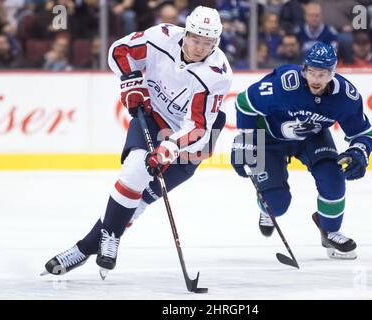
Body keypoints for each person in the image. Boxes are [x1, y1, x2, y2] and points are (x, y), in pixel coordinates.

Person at [42, 6, 232, 278]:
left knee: (141, 200)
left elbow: (198, 127)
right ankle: (102, 242)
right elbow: (120, 51)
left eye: (208, 42)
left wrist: (169, 148)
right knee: (134, 172)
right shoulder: (161, 37)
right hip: (154, 117)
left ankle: (85, 248)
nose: (200, 47)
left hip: (192, 142)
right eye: (195, 39)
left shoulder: (217, 74)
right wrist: (131, 81)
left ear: (216, 42)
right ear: (185, 32)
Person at [231, 42, 372, 259]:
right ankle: (266, 212)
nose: (316, 80)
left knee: (334, 179)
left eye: (323, 74)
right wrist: (246, 140)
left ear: (333, 73)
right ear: (304, 69)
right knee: (276, 206)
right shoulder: (283, 85)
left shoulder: (346, 97)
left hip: (312, 138)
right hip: (270, 139)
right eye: (312, 72)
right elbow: (244, 103)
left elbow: (365, 134)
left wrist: (359, 152)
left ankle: (330, 230)